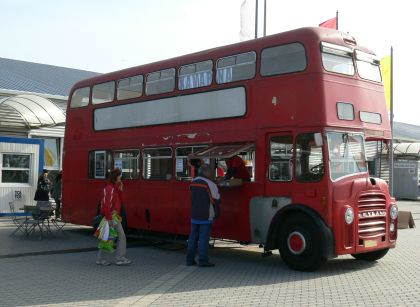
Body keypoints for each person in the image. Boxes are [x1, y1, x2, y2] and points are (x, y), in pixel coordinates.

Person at [186, 164, 220, 267]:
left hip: (195, 214)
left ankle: (189, 260)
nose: (211, 174)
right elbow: (216, 199)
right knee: (204, 239)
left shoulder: (193, 182)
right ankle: (203, 260)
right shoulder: (210, 184)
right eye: (210, 171)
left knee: (192, 238)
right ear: (206, 172)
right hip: (206, 215)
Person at [96, 168, 132, 266]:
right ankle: (119, 258)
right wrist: (109, 218)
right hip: (111, 216)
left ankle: (101, 259)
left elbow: (120, 201)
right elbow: (106, 204)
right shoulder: (109, 188)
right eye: (120, 175)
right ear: (115, 177)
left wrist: (120, 189)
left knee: (108, 237)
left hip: (113, 216)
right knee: (118, 236)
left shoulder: (114, 188)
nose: (121, 177)